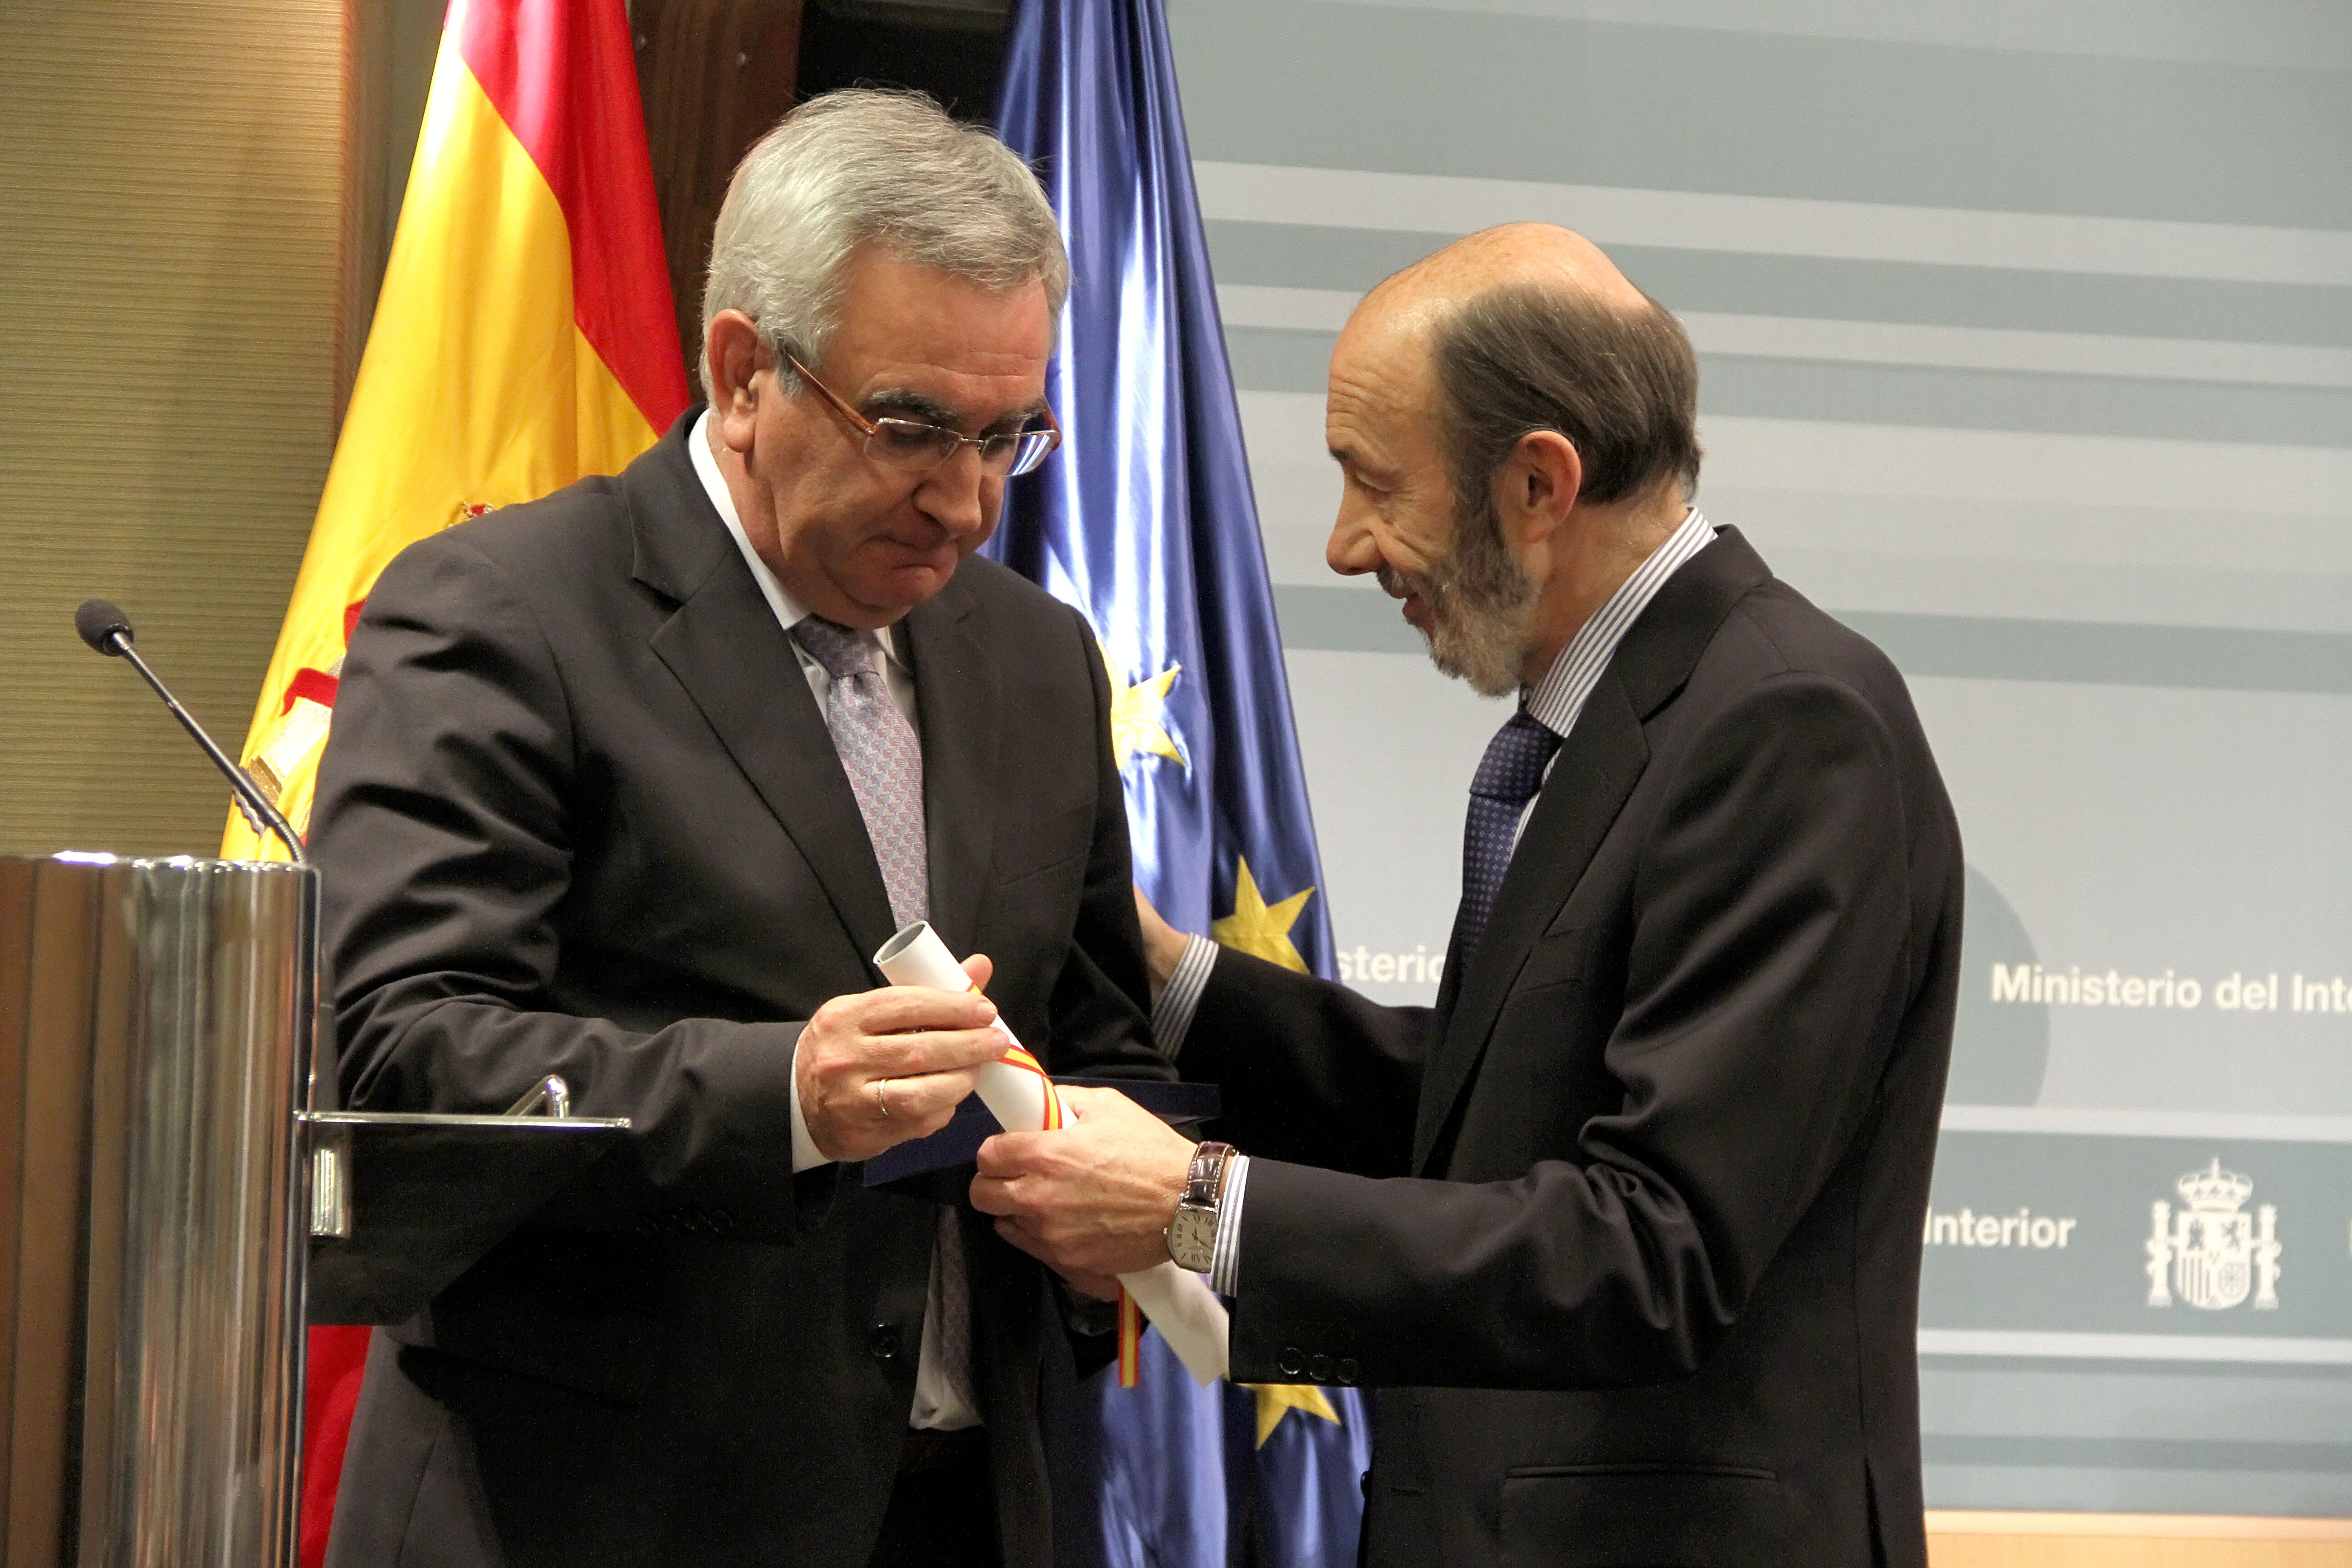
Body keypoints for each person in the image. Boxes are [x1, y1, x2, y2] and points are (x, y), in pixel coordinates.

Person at [970, 223, 1964, 1568]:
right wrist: (1170, 978)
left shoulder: (1787, 725)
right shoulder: (1625, 718)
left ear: (1540, 484)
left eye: (1375, 482)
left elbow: (1651, 1250)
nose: (1344, 545)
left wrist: (1202, 1209)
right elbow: (1492, 1116)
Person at [311, 90, 1165, 1568]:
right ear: (743, 372)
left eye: (1007, 437)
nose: (965, 501)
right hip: (596, 1514)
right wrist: (788, 1099)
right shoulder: (501, 614)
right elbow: (404, 1057)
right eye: (913, 427)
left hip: (973, 1508)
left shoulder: (1037, 657)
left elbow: (1099, 1042)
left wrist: (1118, 1221)